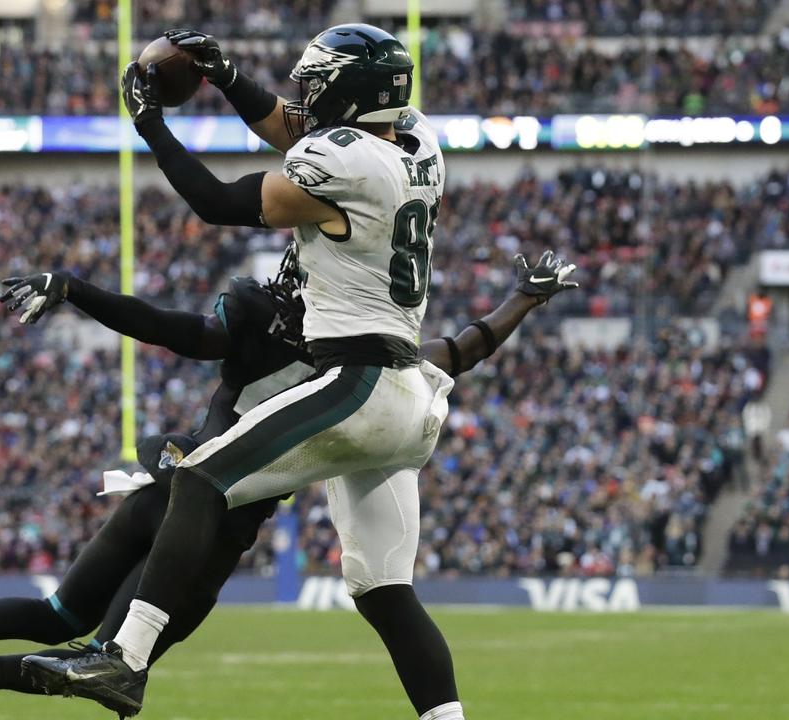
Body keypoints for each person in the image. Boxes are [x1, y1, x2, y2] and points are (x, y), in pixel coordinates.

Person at [28, 25, 573, 720]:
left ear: (349, 91)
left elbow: (220, 203)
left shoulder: (339, 166)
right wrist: (227, 77)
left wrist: (152, 126)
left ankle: (124, 658)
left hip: (357, 384)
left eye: (319, 83)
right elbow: (307, 134)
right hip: (413, 392)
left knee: (199, 479)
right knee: (386, 593)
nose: (305, 96)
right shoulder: (417, 141)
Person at [0, 246, 575, 719]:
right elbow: (462, 347)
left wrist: (74, 287)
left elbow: (173, 328)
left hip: (162, 489)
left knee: (63, 612)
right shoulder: (355, 351)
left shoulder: (290, 322)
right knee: (108, 666)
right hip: (206, 523)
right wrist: (525, 299)